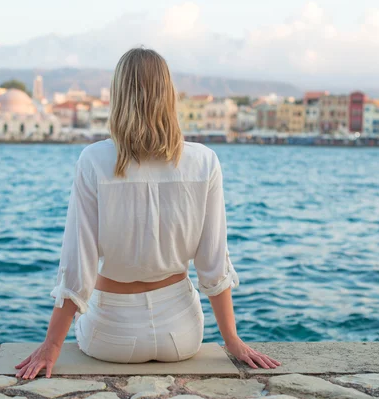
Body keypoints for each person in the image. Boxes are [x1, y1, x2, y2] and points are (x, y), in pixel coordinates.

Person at [15, 47, 281, 379]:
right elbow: (214, 264)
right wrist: (233, 341)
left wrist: (51, 346)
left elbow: (77, 265)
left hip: (110, 336)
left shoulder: (94, 160)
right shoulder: (205, 161)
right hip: (181, 336)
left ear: (118, 95)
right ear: (169, 95)